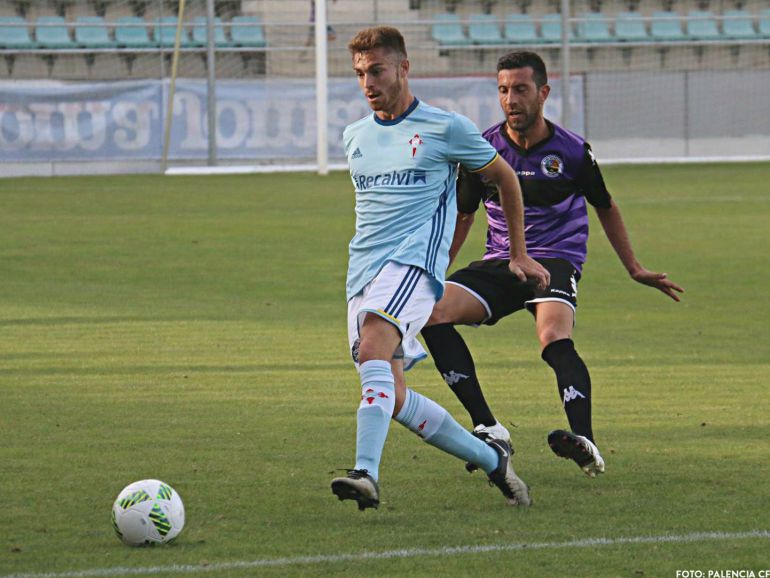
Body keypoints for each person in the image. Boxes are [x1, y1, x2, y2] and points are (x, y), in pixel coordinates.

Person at [421, 50, 684, 478]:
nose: (511, 100)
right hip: (502, 261)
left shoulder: (573, 151)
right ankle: (488, 427)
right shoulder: (483, 149)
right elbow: (465, 215)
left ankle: (585, 441)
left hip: (556, 259)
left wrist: (634, 267)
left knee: (553, 337)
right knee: (430, 313)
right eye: (504, 90)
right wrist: (435, 272)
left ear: (543, 93)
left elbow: (605, 205)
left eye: (520, 89)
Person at [330, 28, 550, 511]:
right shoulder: (355, 137)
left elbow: (504, 178)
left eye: (378, 71)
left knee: (373, 349)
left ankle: (365, 473)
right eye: (360, 74)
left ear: (404, 68)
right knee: (395, 396)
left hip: (413, 266)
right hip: (362, 273)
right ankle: (492, 460)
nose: (368, 82)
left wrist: (518, 252)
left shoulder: (445, 127)